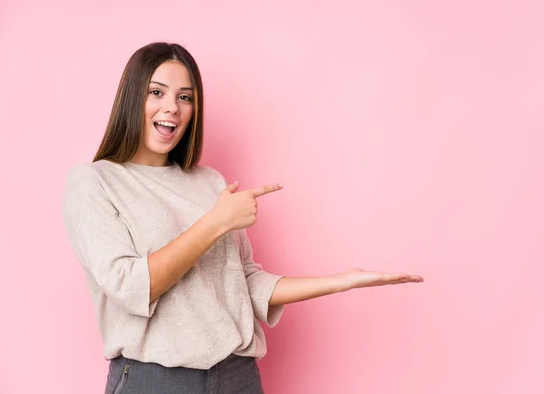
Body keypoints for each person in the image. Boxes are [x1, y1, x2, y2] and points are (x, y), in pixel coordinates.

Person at [62, 41, 424, 394]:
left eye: (184, 97)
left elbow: (244, 285)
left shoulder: (209, 182)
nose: (172, 107)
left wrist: (343, 280)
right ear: (131, 98)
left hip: (237, 376)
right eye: (157, 92)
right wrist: (216, 221)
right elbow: (129, 286)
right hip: (156, 380)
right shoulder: (94, 182)